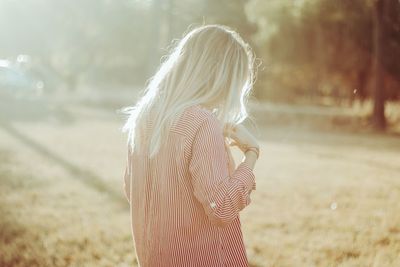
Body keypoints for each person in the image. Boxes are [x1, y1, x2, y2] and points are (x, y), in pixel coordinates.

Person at [120, 24, 260, 267]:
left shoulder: (144, 117)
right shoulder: (202, 123)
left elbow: (132, 189)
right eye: (238, 81)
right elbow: (222, 208)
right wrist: (251, 154)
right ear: (221, 76)